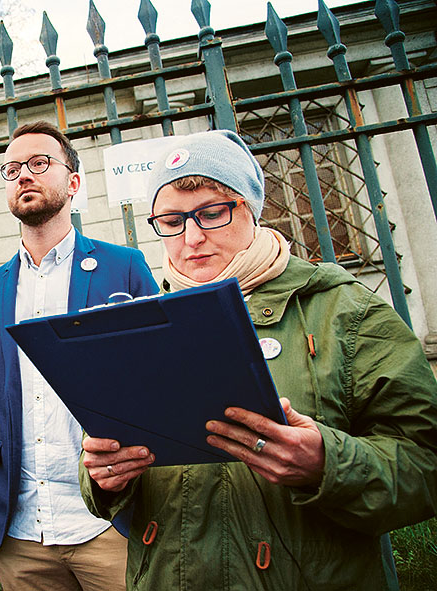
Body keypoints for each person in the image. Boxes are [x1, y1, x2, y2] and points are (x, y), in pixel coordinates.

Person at [80, 129, 437, 590]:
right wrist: (107, 477)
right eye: (170, 221)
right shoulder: (139, 324)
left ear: (251, 209)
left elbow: (425, 461)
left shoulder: (343, 310)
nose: (191, 238)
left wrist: (329, 463)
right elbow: (100, 461)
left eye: (212, 213)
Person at [0, 120, 159, 591]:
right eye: (12, 169)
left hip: (109, 522)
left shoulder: (124, 268)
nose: (24, 176)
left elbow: (159, 377)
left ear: (73, 182)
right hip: (21, 532)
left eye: (39, 163)